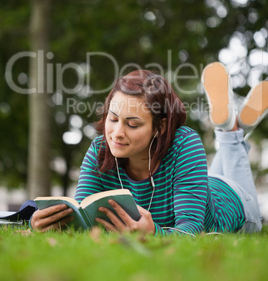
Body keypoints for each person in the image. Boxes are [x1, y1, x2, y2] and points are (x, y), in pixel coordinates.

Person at [30, 62, 267, 234]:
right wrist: (47, 223)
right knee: (228, 141)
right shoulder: (100, 149)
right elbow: (82, 217)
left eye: (132, 124)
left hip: (235, 202)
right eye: (113, 119)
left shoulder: (185, 144)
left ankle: (229, 131)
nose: (117, 133)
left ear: (160, 127)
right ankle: (230, 125)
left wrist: (154, 232)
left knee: (232, 142)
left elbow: (191, 231)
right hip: (200, 185)